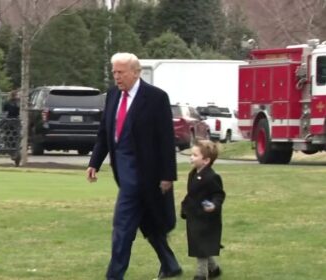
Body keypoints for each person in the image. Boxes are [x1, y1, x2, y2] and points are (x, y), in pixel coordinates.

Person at [86, 52, 182, 280]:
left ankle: (114, 276)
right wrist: (94, 163)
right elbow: (104, 133)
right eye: (114, 72)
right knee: (148, 222)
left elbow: (166, 140)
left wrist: (168, 175)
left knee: (122, 227)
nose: (117, 77)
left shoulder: (156, 98)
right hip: (124, 173)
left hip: (147, 175)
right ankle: (170, 265)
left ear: (136, 72)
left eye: (121, 72)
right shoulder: (112, 96)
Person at [180, 140, 226, 280]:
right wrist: (184, 207)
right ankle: (214, 269)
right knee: (200, 245)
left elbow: (218, 194)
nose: (191, 157)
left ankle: (201, 275)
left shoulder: (212, 177)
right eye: (191, 155)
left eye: (195, 155)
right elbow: (192, 194)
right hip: (195, 217)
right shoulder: (193, 174)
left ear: (206, 160)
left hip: (207, 220)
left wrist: (213, 205)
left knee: (201, 247)